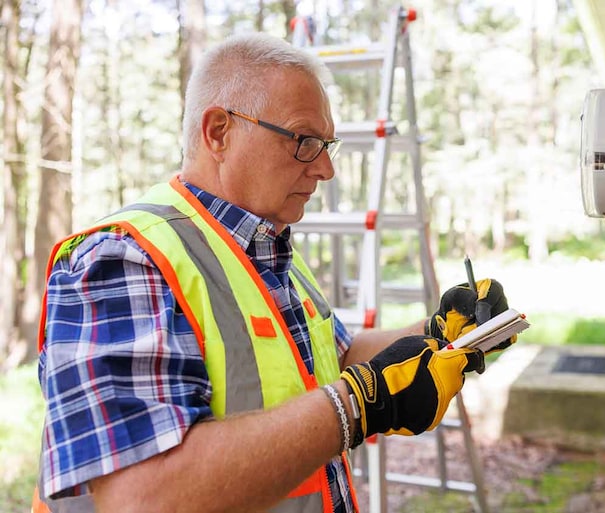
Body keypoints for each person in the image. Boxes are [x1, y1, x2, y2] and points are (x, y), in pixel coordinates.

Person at [35, 33, 514, 513]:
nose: (325, 169)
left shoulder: (265, 245)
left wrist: (439, 336)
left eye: (327, 145)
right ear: (219, 132)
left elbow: (334, 359)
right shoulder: (123, 259)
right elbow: (143, 496)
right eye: (305, 141)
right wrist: (358, 405)